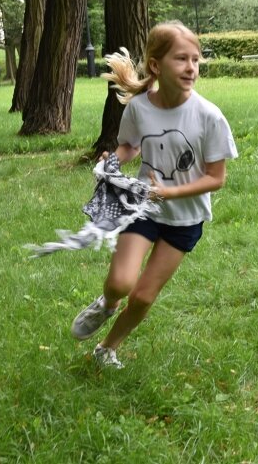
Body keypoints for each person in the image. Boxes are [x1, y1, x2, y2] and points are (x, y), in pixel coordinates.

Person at [70, 21, 238, 368]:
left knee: (144, 296)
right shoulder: (139, 108)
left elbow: (216, 178)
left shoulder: (209, 116)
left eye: (195, 59)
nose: (191, 67)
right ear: (156, 66)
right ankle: (108, 302)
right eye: (181, 59)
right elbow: (130, 146)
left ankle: (106, 348)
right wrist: (112, 162)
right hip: (143, 210)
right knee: (120, 282)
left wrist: (170, 192)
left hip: (185, 220)